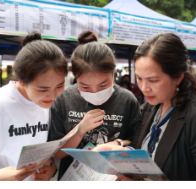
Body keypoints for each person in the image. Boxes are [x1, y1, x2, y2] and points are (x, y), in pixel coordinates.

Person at [94, 33, 196, 181]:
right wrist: (119, 151)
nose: (144, 88)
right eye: (139, 78)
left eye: (153, 80)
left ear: (178, 77)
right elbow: (139, 147)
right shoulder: (150, 107)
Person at [48, 31, 142, 180]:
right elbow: (58, 153)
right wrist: (80, 129)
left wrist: (118, 144)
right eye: (84, 87)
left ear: (113, 74)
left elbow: (137, 143)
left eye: (103, 85)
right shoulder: (63, 99)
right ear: (75, 78)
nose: (95, 92)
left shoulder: (127, 100)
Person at [0, 32, 68, 181]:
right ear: (21, 80)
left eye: (60, 85)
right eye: (43, 89)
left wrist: (51, 167)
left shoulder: (45, 103)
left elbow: (44, 151)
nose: (53, 96)